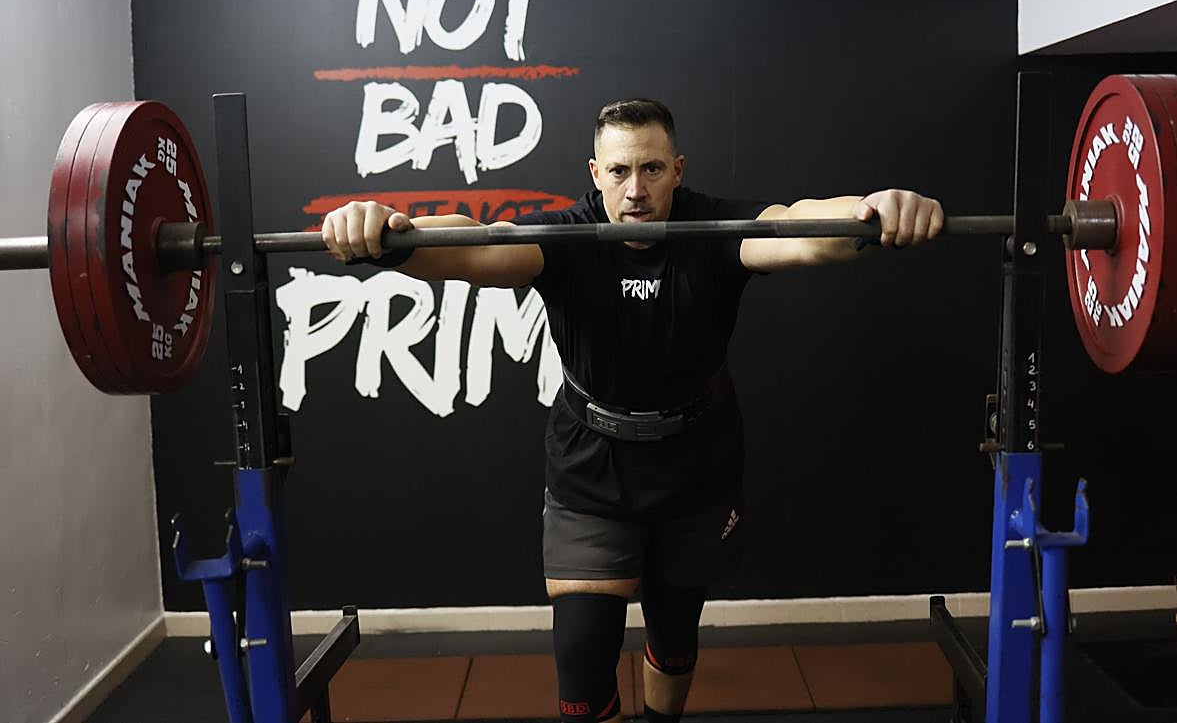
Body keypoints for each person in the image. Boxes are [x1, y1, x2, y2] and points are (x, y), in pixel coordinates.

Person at [322, 98, 943, 723]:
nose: (636, 190)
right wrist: (390, 237)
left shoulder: (714, 228)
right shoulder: (568, 237)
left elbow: (799, 229)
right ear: (596, 175)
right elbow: (480, 247)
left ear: (678, 168)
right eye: (619, 173)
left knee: (674, 642)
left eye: (651, 170)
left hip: (696, 464)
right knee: (583, 659)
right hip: (593, 465)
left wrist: (871, 213)